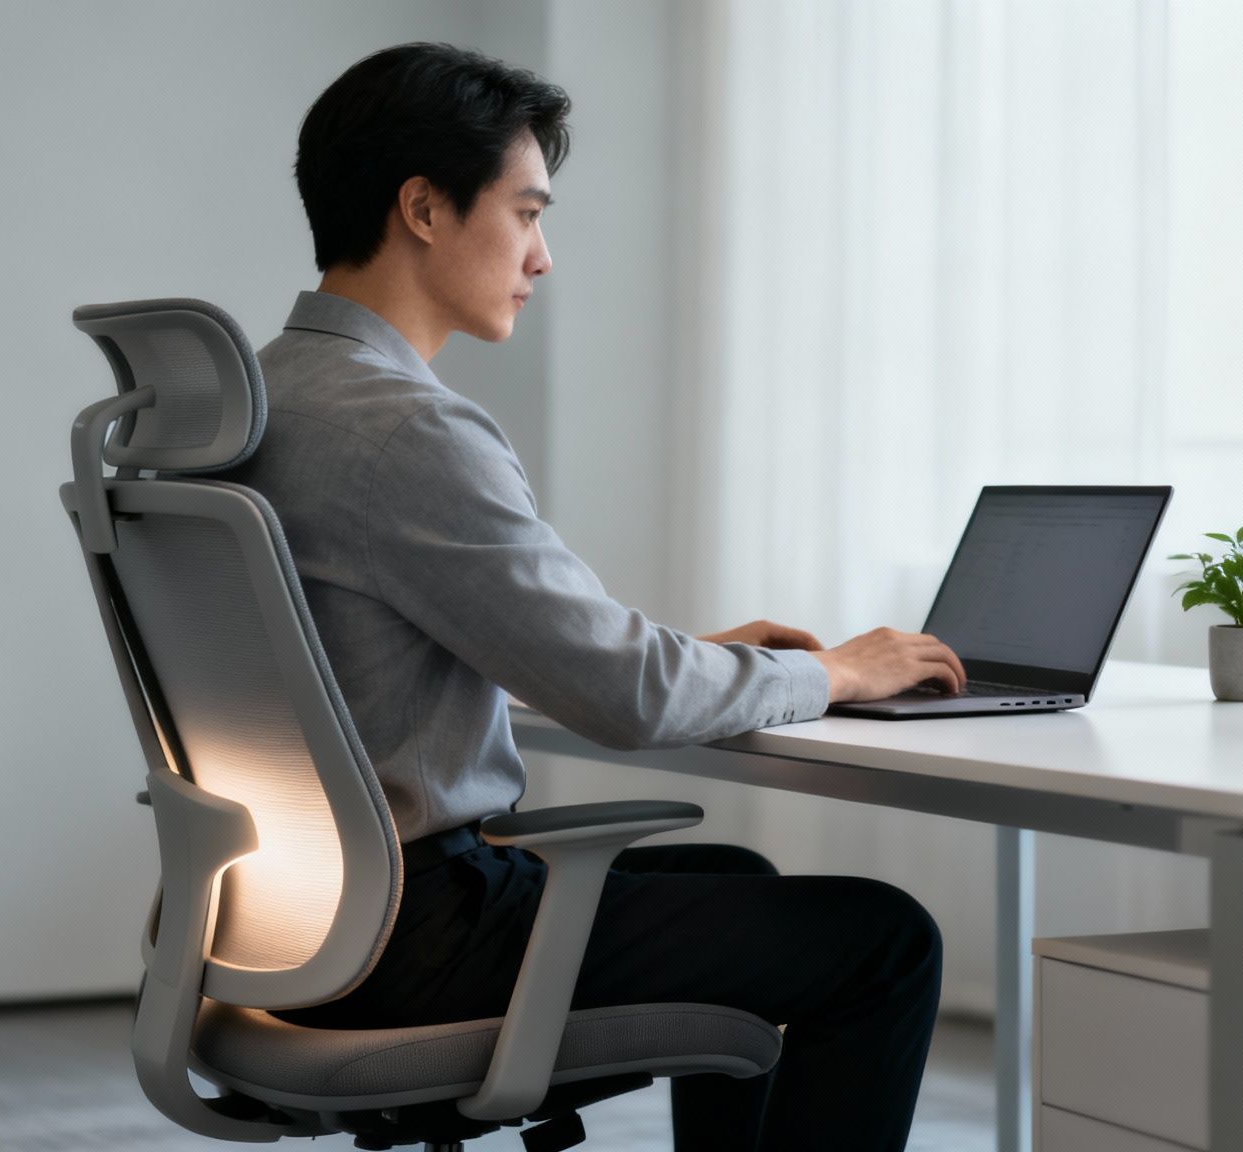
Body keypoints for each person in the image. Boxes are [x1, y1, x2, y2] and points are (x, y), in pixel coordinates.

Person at [218, 42, 967, 1151]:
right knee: (882, 938)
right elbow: (627, 700)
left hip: (291, 916)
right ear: (422, 208)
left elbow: (431, 654)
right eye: (525, 214)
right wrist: (836, 672)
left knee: (734, 880)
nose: (541, 256)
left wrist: (693, 656)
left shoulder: (258, 400)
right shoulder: (405, 429)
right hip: (413, 931)